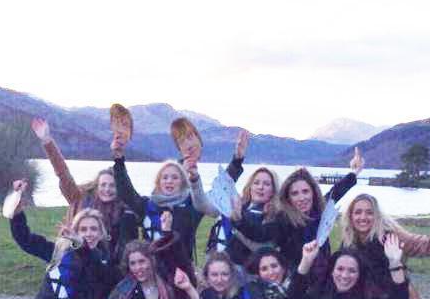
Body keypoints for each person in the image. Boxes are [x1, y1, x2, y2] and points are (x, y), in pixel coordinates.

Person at [31, 105, 139, 264]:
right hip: (71, 257)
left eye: (112, 186)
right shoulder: (79, 197)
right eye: (104, 185)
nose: (107, 189)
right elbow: (63, 173)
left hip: (101, 266)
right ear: (97, 185)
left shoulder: (122, 210)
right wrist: (47, 141)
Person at [232, 148, 364, 276]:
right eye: (295, 194)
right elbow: (260, 233)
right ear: (288, 198)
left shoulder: (320, 209)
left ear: (313, 192)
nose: (302, 198)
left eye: (305, 191)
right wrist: (239, 220)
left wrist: (354, 172)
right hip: (296, 280)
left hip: (323, 277)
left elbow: (337, 191)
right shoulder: (284, 219)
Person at [111, 117, 217, 260]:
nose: (169, 181)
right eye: (165, 177)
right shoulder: (146, 206)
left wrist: (237, 161)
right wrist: (118, 159)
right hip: (153, 272)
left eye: (174, 178)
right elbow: (126, 192)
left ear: (182, 182)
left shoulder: (191, 207)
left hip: (182, 274)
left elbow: (214, 196)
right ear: (158, 182)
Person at [205, 131, 280, 266]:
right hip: (214, 268)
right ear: (250, 186)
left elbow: (258, 234)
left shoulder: (274, 216)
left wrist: (238, 221)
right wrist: (237, 160)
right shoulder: (240, 205)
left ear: (273, 190)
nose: (260, 187)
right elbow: (222, 189)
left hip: (242, 275)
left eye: (266, 184)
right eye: (256, 183)